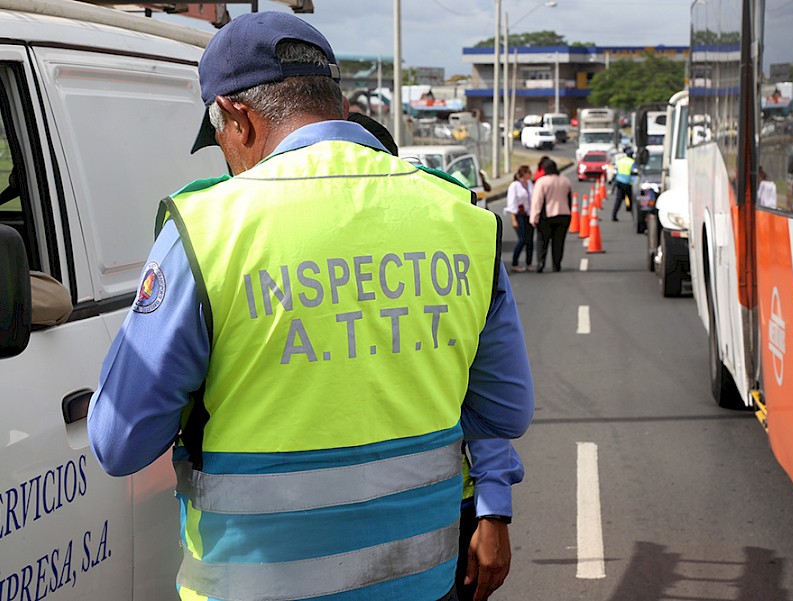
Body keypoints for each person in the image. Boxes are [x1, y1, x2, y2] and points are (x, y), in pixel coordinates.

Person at [87, 12, 534, 601]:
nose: (226, 159)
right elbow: (507, 410)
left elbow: (120, 443)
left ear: (238, 118)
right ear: (337, 103)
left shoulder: (208, 228)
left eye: (219, 137)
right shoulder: (460, 216)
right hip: (420, 583)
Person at [350, 112, 525, 601]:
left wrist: (492, 510)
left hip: (439, 509)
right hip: (403, 515)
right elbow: (503, 405)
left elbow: (486, 400)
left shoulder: (443, 245)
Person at [529, 158, 572, 272]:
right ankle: (556, 264)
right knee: (559, 242)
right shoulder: (565, 181)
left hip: (546, 217)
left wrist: (534, 217)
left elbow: (537, 201)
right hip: (564, 215)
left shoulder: (542, 181)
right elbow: (569, 199)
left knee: (542, 241)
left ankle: (541, 263)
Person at [504, 165, 534, 273]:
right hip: (519, 215)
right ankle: (515, 263)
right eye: (528, 172)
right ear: (524, 174)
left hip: (529, 215)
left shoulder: (530, 184)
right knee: (522, 239)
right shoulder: (515, 186)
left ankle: (529, 263)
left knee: (530, 240)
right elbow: (511, 203)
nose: (530, 174)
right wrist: (513, 219)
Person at [612, 148, 636, 221]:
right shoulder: (632, 162)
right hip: (628, 183)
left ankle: (614, 216)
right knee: (631, 201)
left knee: (618, 201)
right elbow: (634, 173)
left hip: (619, 182)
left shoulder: (620, 161)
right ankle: (634, 218)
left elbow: (616, 171)